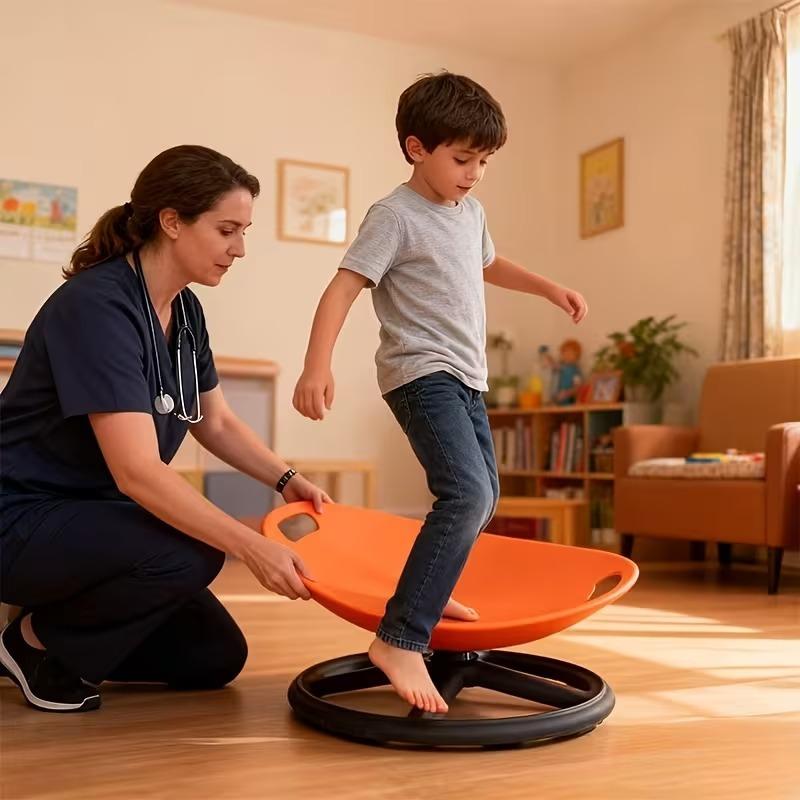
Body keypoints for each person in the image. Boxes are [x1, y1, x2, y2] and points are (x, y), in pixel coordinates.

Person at [293, 72, 588, 713]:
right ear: (415, 148)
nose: (474, 173)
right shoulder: (393, 216)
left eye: (483, 161)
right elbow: (343, 287)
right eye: (462, 159)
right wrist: (318, 365)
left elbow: (487, 263)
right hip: (420, 374)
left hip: (466, 376)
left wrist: (548, 288)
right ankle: (400, 637)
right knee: (468, 492)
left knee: (483, 498)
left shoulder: (470, 211)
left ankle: (428, 587)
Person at [0, 145, 329, 713]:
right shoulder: (97, 306)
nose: (240, 248)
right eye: (227, 229)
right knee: (196, 550)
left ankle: (52, 620)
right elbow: (138, 474)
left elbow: (216, 420)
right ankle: (32, 645)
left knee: (213, 656)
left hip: (92, 522)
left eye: (244, 231)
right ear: (171, 221)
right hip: (19, 514)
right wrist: (250, 546)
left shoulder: (185, 310)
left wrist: (286, 479)